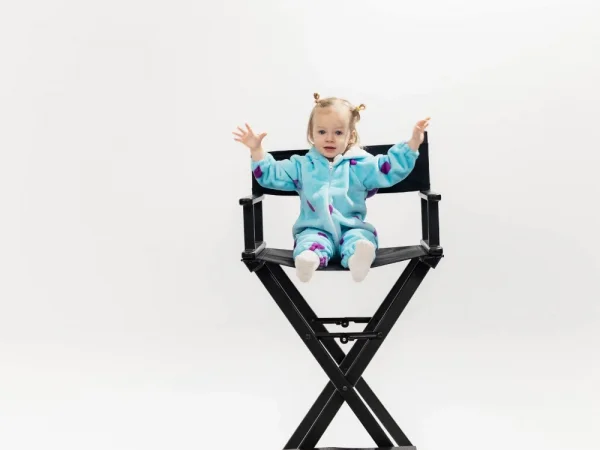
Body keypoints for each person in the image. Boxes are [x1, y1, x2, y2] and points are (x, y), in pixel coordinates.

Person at [233, 93, 429, 283]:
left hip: (352, 227)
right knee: (308, 243)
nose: (329, 138)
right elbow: (272, 175)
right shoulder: (302, 166)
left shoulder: (361, 165)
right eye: (322, 132)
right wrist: (256, 150)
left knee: (362, 240)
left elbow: (388, 169)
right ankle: (309, 260)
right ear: (311, 134)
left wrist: (412, 144)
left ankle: (357, 260)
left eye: (338, 132)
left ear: (350, 136)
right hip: (314, 229)